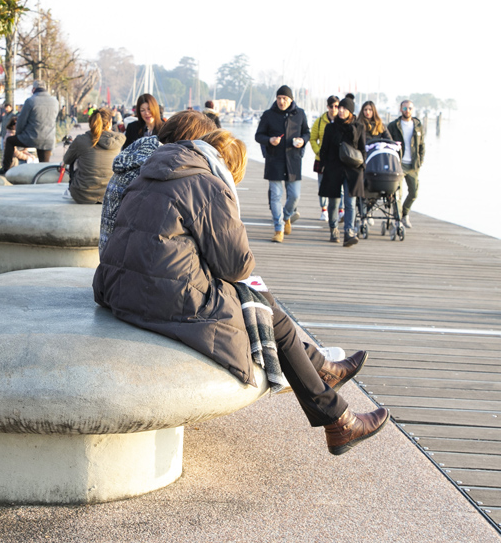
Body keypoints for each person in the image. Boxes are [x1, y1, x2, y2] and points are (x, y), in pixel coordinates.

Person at [94, 129, 389, 456]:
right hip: (161, 299)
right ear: (229, 168)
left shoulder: (154, 172)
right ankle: (337, 416)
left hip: (119, 289)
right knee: (267, 309)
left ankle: (325, 380)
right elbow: (237, 267)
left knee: (265, 309)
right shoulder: (208, 185)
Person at [99, 110, 216, 254]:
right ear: (191, 142)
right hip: (131, 266)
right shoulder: (160, 172)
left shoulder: (134, 158)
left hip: (108, 261)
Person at [254, 85, 309, 243]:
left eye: (284, 98)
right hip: (274, 160)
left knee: (295, 196)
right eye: (279, 98)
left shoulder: (300, 114)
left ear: (291, 99)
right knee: (275, 196)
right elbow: (259, 135)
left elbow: (307, 132)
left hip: (293, 160)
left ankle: (286, 217)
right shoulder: (268, 115)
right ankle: (278, 228)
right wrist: (269, 140)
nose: (281, 101)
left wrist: (302, 141)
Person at [318, 96, 365, 246]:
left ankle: (349, 231)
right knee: (334, 202)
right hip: (333, 169)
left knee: (350, 202)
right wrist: (325, 166)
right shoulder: (330, 127)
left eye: (345, 108)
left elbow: (363, 149)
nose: (341, 110)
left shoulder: (359, 127)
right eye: (340, 108)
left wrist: (361, 167)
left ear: (351, 111)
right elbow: (324, 149)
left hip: (352, 170)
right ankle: (333, 228)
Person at [62, 108, 125, 204]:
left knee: (74, 159)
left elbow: (66, 159)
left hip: (82, 194)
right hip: (110, 194)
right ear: (109, 123)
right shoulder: (118, 140)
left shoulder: (81, 140)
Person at [2, 80, 58, 172]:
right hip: (49, 139)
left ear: (33, 89)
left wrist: (19, 134)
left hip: (31, 137)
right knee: (44, 167)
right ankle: (43, 179)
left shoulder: (31, 101)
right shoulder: (55, 101)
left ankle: (5, 169)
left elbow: (21, 120)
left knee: (10, 141)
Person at [387, 100, 425, 229]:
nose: (407, 110)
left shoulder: (418, 125)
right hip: (399, 164)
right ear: (400, 109)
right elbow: (388, 143)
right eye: (405, 108)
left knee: (414, 193)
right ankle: (397, 218)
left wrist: (420, 161)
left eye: (409, 108)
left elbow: (421, 145)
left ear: (412, 110)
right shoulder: (393, 126)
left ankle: (404, 213)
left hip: (413, 165)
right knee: (398, 193)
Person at [309, 96, 339, 222]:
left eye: (336, 106)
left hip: (338, 160)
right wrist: (318, 152)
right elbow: (312, 138)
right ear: (327, 107)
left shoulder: (341, 121)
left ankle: (340, 210)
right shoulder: (320, 121)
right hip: (322, 159)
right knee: (322, 185)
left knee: (339, 186)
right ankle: (324, 210)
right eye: (331, 106)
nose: (334, 109)